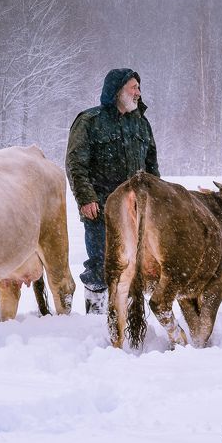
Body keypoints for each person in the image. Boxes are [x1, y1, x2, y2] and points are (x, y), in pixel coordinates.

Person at [66, 68, 159, 313]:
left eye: (139, 88)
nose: (138, 93)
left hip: (137, 208)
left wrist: (157, 199)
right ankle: (95, 312)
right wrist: (86, 198)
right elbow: (76, 164)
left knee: (135, 262)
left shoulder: (141, 123)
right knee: (100, 264)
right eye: (133, 88)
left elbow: (151, 166)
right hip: (101, 207)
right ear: (117, 91)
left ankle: (126, 311)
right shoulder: (90, 121)